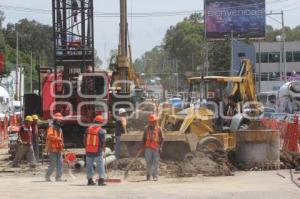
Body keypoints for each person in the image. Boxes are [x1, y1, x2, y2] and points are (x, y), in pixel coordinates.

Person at [84, 115, 107, 186]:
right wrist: (103, 148)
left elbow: (85, 140)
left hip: (88, 150)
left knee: (89, 166)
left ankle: (90, 180)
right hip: (97, 151)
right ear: (101, 122)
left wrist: (86, 147)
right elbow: (103, 142)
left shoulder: (88, 129)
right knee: (100, 165)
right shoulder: (101, 131)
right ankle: (101, 180)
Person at [142, 114, 164, 181]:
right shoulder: (146, 128)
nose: (152, 123)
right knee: (148, 162)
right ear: (149, 122)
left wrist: (161, 147)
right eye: (151, 121)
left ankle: (155, 176)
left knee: (156, 162)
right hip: (148, 148)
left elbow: (162, 138)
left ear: (156, 121)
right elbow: (143, 138)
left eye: (154, 121)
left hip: (156, 148)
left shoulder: (159, 128)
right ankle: (148, 175)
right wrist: (143, 147)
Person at [45, 113, 65, 182]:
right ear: (56, 120)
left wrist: (62, 143)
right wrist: (57, 138)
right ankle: (47, 176)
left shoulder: (60, 129)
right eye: (59, 120)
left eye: (60, 120)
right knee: (53, 164)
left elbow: (61, 138)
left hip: (59, 148)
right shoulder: (51, 128)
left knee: (60, 163)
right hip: (52, 148)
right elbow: (49, 136)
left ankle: (58, 177)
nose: (60, 121)